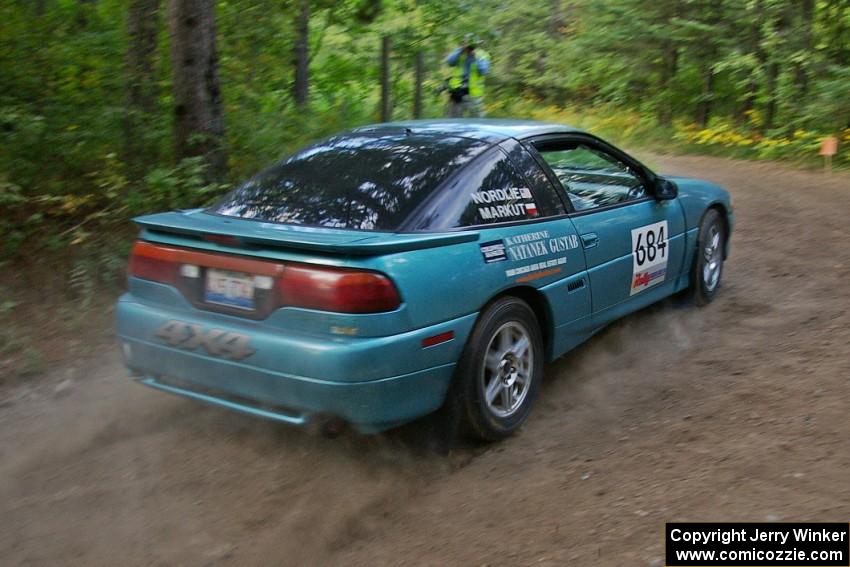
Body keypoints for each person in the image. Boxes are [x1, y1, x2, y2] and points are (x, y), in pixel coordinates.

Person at [444, 35, 490, 118]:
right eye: (466, 44)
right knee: (453, 122)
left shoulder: (482, 55)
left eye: (471, 46)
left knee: (478, 122)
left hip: (474, 94)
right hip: (457, 93)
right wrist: (460, 51)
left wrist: (475, 58)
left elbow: (484, 71)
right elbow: (449, 62)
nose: (468, 48)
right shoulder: (459, 52)